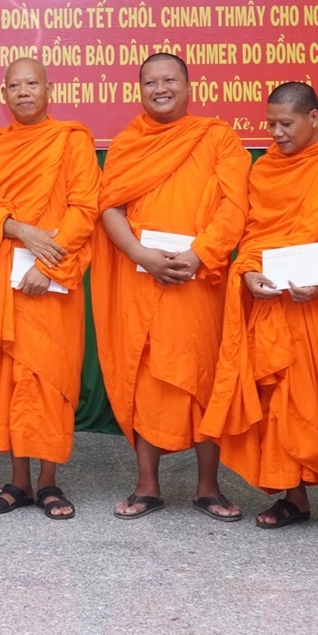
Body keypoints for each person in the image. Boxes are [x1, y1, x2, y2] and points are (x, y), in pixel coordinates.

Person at [197, 82, 318, 535]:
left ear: (315, 118)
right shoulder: (263, 170)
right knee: (276, 401)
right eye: (270, 123)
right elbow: (253, 233)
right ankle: (292, 497)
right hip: (276, 304)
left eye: (285, 123)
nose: (275, 132)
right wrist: (249, 272)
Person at [91, 53, 249, 522]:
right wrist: (141, 255)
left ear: (188, 85)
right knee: (143, 378)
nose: (160, 89)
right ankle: (147, 486)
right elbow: (109, 209)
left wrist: (199, 254)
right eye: (150, 82)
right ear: (139, 90)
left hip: (198, 278)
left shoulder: (216, 136)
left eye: (170, 80)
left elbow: (234, 204)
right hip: (142, 278)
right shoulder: (126, 144)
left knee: (203, 377)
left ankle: (208, 487)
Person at [0, 58, 99, 520]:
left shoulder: (71, 140)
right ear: (3, 95)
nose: (23, 92)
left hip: (52, 278)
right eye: (14, 85)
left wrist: (49, 261)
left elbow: (84, 207)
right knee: (9, 381)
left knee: (50, 380)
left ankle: (49, 483)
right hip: (7, 280)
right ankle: (17, 481)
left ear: (48, 90)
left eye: (31, 83)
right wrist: (21, 230)